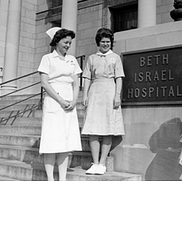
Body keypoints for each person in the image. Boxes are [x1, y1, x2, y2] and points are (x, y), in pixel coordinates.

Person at [37, 27, 82, 181]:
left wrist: (74, 100)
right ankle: (51, 179)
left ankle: (62, 179)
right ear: (57, 41)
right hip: (54, 101)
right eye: (65, 42)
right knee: (51, 141)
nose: (68, 45)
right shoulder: (47, 58)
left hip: (70, 103)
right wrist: (61, 101)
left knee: (65, 141)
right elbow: (44, 83)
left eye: (70, 43)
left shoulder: (72, 60)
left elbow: (76, 82)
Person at [81, 27, 125, 175]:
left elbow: (119, 77)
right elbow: (87, 77)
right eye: (103, 42)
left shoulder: (116, 58)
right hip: (95, 91)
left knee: (108, 128)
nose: (105, 44)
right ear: (98, 43)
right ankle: (95, 163)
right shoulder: (92, 58)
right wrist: (85, 95)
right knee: (93, 128)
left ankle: (102, 162)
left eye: (108, 42)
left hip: (110, 91)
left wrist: (117, 95)